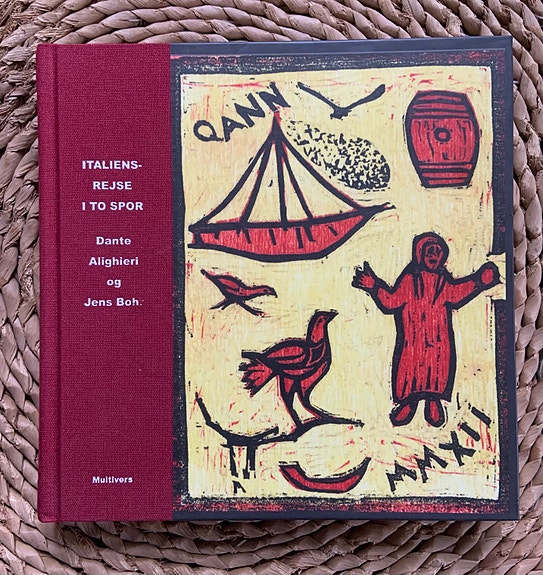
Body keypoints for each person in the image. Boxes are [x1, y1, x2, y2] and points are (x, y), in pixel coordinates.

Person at [352, 232, 500, 427]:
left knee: (437, 371)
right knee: (409, 371)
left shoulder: (443, 281)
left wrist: (478, 281)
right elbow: (391, 301)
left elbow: (457, 293)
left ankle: (433, 401)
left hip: (438, 341)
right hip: (412, 342)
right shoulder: (409, 279)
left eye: (438, 252)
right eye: (429, 251)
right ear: (419, 254)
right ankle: (408, 402)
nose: (433, 255)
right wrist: (374, 286)